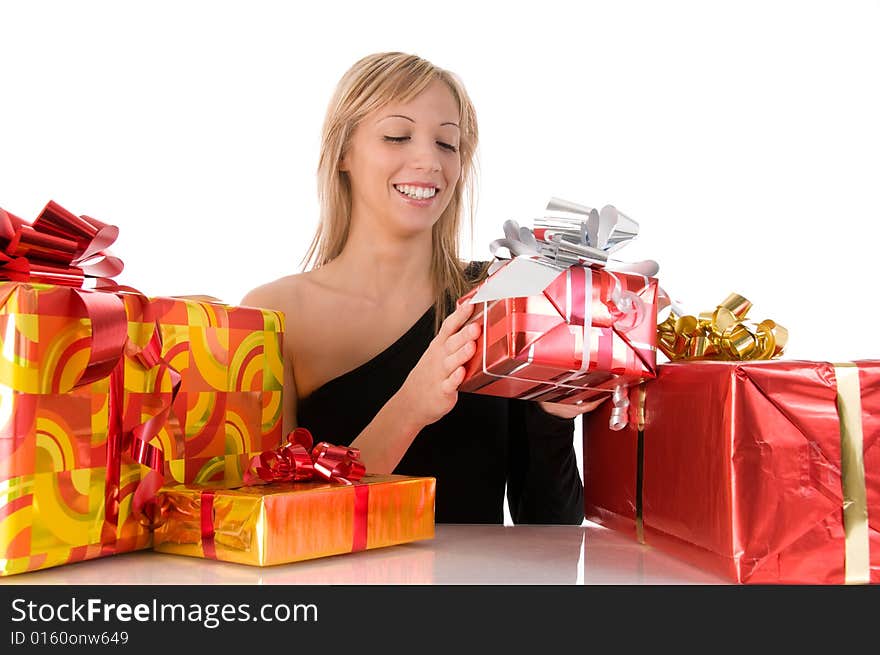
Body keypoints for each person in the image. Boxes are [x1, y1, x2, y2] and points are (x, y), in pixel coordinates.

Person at [242, 52, 605, 524]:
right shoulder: (273, 315)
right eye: (397, 136)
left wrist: (552, 420)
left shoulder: (501, 297)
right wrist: (411, 407)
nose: (429, 161)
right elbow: (273, 522)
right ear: (344, 153)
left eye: (447, 144)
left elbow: (552, 528)